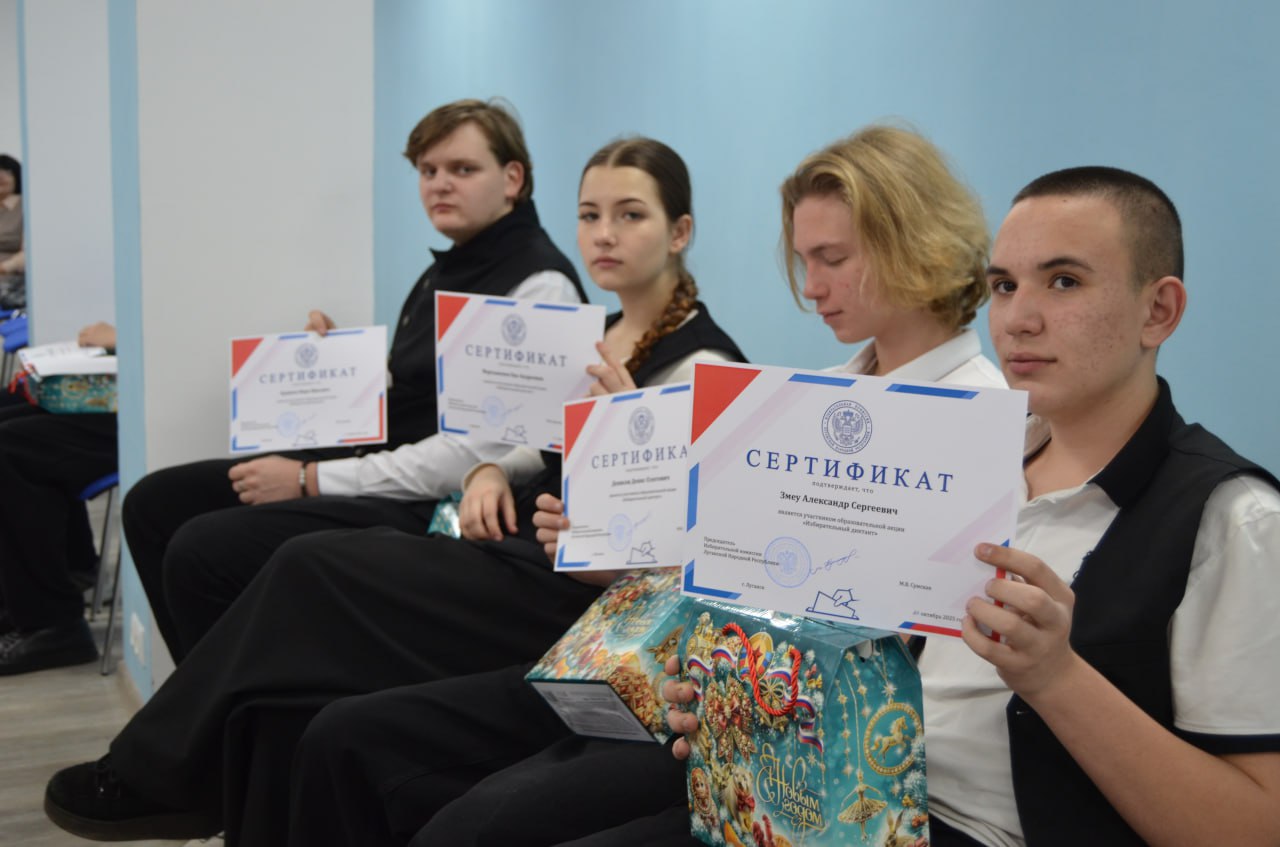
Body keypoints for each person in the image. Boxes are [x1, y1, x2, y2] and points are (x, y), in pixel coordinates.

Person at [288, 124, 1005, 847]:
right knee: (373, 748)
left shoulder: (982, 423)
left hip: (813, 750)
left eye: (833, 259)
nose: (812, 287)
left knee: (469, 817)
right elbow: (744, 570)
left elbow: (916, 658)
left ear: (912, 243)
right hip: (705, 693)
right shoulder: (814, 393)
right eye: (803, 260)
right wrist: (621, 552)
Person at [44, 136, 747, 847]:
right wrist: (487, 472)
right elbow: (528, 442)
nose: (604, 234)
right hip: (507, 549)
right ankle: (198, 778)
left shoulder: (701, 364)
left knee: (309, 566)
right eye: (590, 215)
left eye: (630, 215)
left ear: (679, 232)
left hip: (570, 600)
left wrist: (618, 453)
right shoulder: (596, 335)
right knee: (286, 669)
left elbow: (682, 545)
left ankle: (161, 773)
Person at [631, 167, 1280, 847]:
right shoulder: (964, 456)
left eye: (1064, 282)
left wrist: (1057, 678)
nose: (1019, 320)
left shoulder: (1233, 521)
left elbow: (1254, 829)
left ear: (1159, 311)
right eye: (1005, 286)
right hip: (840, 798)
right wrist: (738, 692)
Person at [121, 98, 588, 660]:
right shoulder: (449, 266)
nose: (439, 185)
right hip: (384, 464)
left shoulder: (541, 288)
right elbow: (416, 389)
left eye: (462, 169)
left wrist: (308, 480)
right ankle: (212, 696)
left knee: (203, 548)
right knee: (154, 502)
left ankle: (229, 704)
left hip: (432, 504)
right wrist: (335, 365)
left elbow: (471, 456)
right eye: (428, 170)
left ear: (512, 179)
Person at [0, 321, 119, 674]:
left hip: (156, 403)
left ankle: (53, 626)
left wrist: (123, 339)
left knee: (10, 451)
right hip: (126, 385)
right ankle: (39, 587)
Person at [0, 154, 25, 308]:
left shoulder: (25, 207)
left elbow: (30, 253)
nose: (1, 176)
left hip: (10, 282)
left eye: (7, 171)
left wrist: (4, 267)